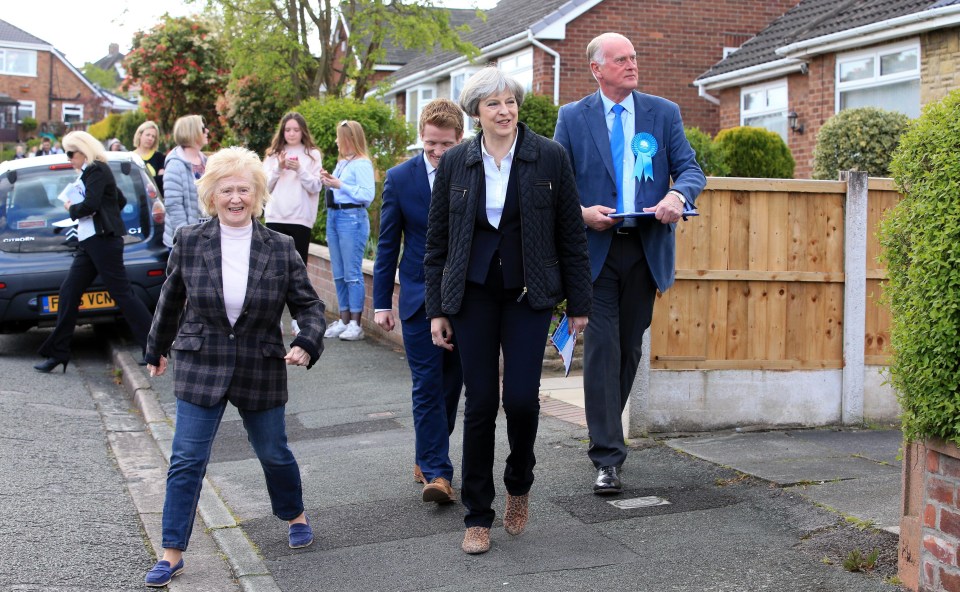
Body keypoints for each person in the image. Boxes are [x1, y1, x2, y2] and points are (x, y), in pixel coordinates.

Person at [424, 67, 592, 554]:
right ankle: (478, 514)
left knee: (520, 399)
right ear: (476, 111)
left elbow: (571, 236)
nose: (504, 111)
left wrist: (578, 304)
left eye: (511, 102)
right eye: (493, 103)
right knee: (479, 404)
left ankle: (519, 483)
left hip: (529, 293)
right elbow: (436, 244)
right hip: (472, 295)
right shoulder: (455, 162)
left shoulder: (549, 157)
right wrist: (438, 308)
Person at [142, 147, 325, 587]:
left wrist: (306, 341)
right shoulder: (189, 240)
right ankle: (171, 552)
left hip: (260, 363)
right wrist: (156, 348)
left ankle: (293, 514)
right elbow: (170, 299)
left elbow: (311, 307)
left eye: (244, 189)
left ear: (258, 194)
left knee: (273, 453)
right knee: (186, 459)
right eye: (227, 190)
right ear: (212, 195)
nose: (236, 198)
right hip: (200, 359)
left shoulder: (280, 248)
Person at [554, 32, 706, 495]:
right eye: (620, 59)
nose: (631, 65)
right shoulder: (572, 117)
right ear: (597, 69)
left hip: (644, 250)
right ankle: (607, 457)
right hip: (594, 252)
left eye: (634, 58)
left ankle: (607, 434)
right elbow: (557, 184)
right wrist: (580, 213)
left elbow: (692, 169)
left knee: (628, 350)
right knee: (601, 349)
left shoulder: (664, 112)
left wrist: (678, 195)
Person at [373, 99, 465, 504]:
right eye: (430, 144)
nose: (437, 152)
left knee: (451, 386)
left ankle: (426, 454)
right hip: (415, 298)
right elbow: (388, 245)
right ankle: (438, 473)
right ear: (421, 137)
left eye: (445, 144)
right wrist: (381, 302)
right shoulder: (400, 178)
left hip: (465, 298)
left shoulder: (475, 171)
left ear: (460, 138)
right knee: (427, 385)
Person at [34, 131, 154, 373]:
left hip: (103, 242)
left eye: (70, 153)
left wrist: (71, 207)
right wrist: (103, 213)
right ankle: (58, 352)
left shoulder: (96, 170)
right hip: (90, 242)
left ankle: (154, 346)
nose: (69, 159)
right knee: (68, 292)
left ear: (83, 150)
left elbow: (88, 206)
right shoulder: (90, 173)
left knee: (122, 294)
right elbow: (117, 199)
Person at [263, 112, 324, 336]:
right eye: (287, 130)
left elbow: (316, 186)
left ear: (302, 131)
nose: (291, 134)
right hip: (275, 217)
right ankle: (273, 318)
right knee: (273, 271)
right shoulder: (272, 154)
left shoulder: (312, 154)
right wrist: (278, 168)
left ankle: (299, 319)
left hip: (300, 219)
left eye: (295, 130)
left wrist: (300, 169)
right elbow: (264, 188)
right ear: (282, 131)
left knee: (298, 272)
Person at [319, 120, 375, 342]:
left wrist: (339, 185)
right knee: (339, 273)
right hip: (335, 216)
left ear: (351, 139)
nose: (336, 141)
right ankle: (344, 320)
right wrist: (328, 181)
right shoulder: (344, 162)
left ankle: (355, 323)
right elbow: (339, 187)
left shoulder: (362, 164)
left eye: (340, 138)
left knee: (351, 273)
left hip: (351, 218)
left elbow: (367, 195)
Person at [163, 114, 209, 249]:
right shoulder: (175, 165)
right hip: (184, 241)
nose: (207, 131)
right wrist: (186, 237)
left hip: (205, 236)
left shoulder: (205, 161)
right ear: (191, 132)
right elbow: (173, 205)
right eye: (202, 129)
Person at [132, 121, 166, 194]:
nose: (150, 138)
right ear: (139, 135)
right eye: (148, 135)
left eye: (153, 136)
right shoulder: (131, 157)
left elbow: (161, 181)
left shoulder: (160, 157)